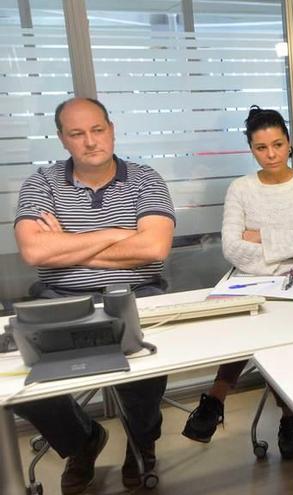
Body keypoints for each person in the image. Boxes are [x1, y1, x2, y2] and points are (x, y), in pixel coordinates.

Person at [13, 97, 175, 493]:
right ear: (62, 140)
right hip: (59, 299)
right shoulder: (41, 183)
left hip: (135, 293)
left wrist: (66, 243)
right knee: (20, 382)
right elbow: (35, 252)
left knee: (144, 371)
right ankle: (81, 442)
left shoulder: (145, 179)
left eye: (97, 130)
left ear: (112, 129)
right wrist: (116, 235)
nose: (90, 141)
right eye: (77, 134)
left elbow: (154, 249)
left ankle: (141, 445)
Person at [182, 106, 293, 460]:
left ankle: (216, 399)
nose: (271, 154)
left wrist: (259, 237)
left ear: (289, 143)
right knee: (246, 322)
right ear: (251, 149)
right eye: (262, 148)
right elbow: (232, 246)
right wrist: (281, 254)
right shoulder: (241, 188)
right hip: (251, 281)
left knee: (269, 328)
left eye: (278, 144)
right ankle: (289, 417)